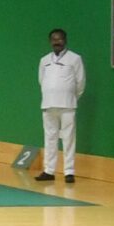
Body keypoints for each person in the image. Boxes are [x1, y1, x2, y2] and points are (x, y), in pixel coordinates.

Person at [37, 28, 85, 184]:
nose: (57, 42)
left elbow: (80, 83)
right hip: (48, 104)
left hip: (67, 105)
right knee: (49, 138)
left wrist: (71, 97)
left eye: (60, 39)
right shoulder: (44, 60)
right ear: (50, 41)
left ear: (65, 40)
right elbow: (41, 81)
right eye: (54, 39)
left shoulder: (75, 59)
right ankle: (49, 170)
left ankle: (69, 172)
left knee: (68, 138)